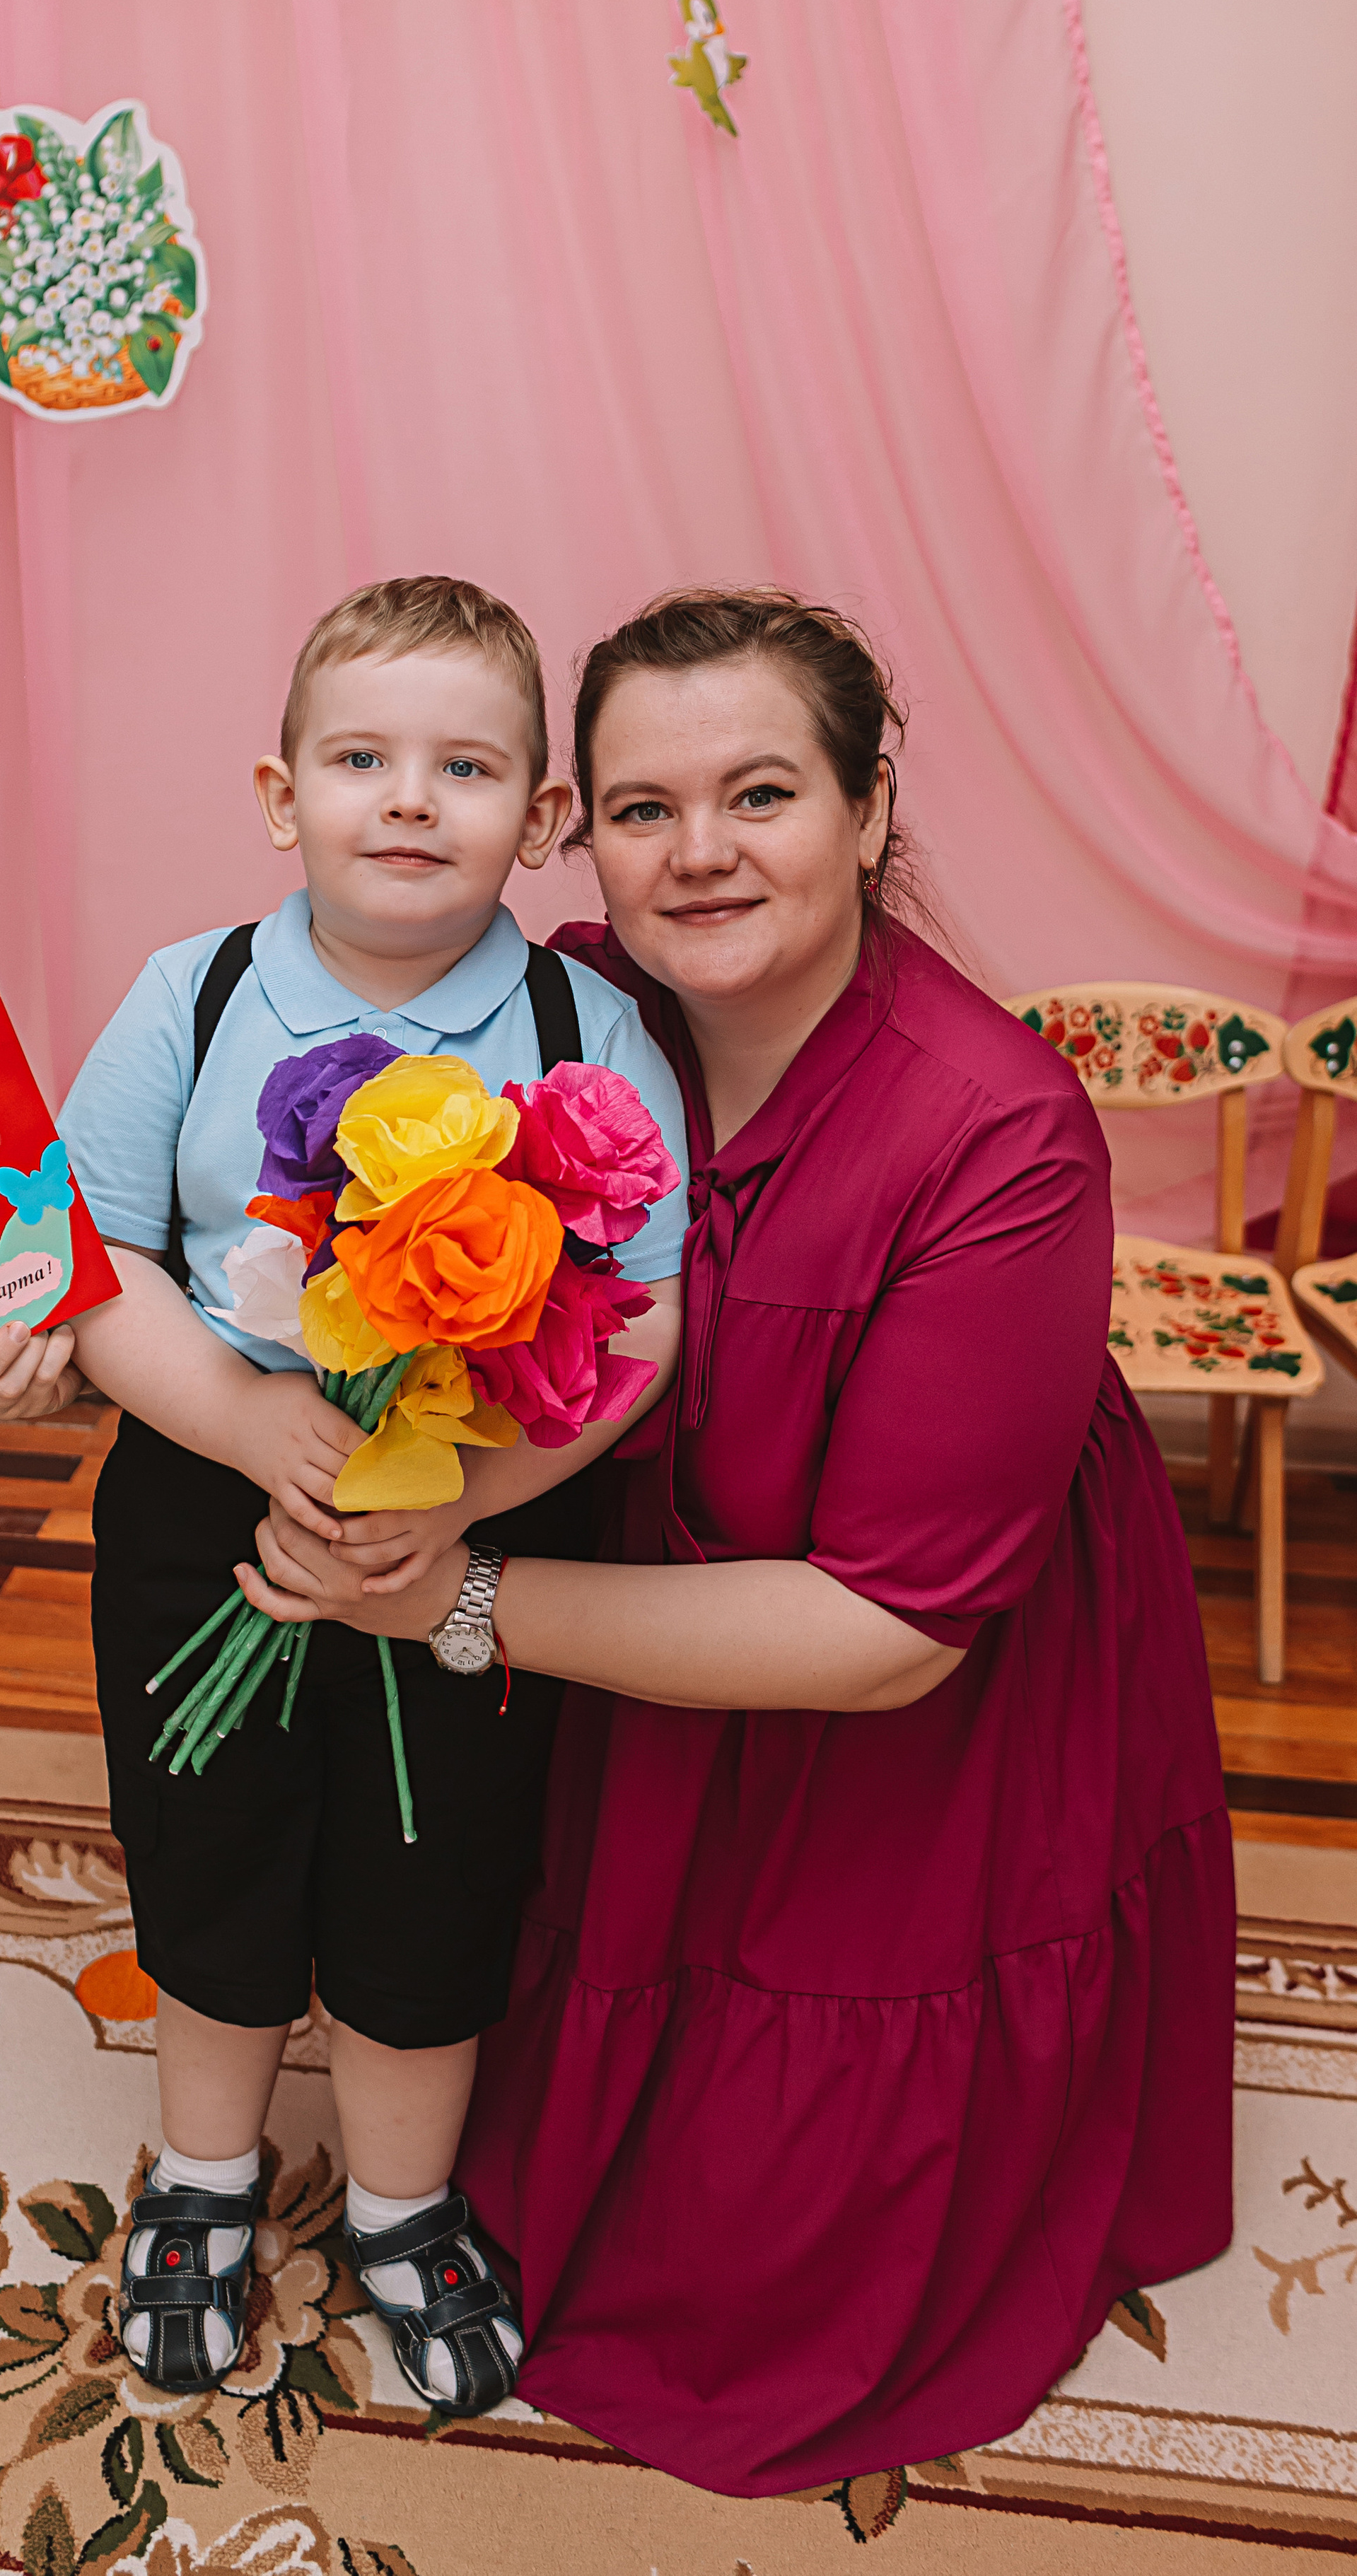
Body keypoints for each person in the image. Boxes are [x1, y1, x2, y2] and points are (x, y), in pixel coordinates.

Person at [240, 588, 1235, 2495]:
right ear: (574, 830)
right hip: (653, 1619)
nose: (697, 855)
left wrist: (458, 1601)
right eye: (641, 807)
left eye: (761, 793)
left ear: (870, 809)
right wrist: (66, 1327)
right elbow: (272, 1192)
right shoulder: (564, 1011)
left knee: (785, 2241)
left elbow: (888, 1634)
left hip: (906, 1683)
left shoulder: (998, 1137)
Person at [0, 576, 686, 2416]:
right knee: (216, 1859)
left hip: (462, 1541)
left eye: (466, 766)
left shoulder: (585, 1033)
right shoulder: (201, 991)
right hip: (205, 1528)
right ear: (281, 796)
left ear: (542, 820)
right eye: (362, 758)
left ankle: (406, 2205)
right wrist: (255, 1435)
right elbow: (84, 1259)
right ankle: (207, 2179)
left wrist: (464, 1500)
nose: (410, 798)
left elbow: (641, 1323)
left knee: (437, 1883)